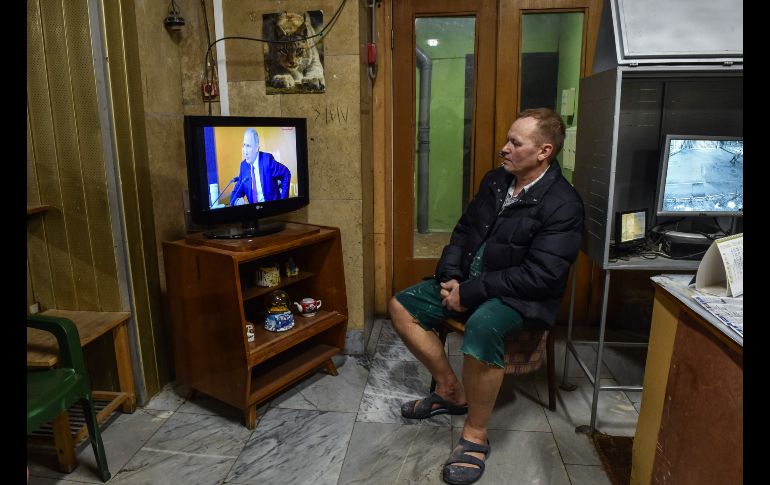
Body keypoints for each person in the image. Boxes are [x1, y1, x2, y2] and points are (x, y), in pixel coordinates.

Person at [388, 108, 584, 485]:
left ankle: (475, 436)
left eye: (515, 143)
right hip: (469, 282)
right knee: (401, 305)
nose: (503, 148)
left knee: (481, 326)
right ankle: (450, 391)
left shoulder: (563, 204)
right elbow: (464, 231)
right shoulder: (496, 181)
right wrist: (449, 276)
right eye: (507, 139)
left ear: (544, 152)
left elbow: (540, 275)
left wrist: (470, 292)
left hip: (523, 297)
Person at [230, 128, 291, 204]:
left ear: (256, 148)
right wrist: (236, 201)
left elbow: (286, 173)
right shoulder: (244, 167)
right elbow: (234, 195)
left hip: (273, 212)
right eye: (244, 145)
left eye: (248, 146)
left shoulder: (267, 161)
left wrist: (283, 203)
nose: (245, 151)